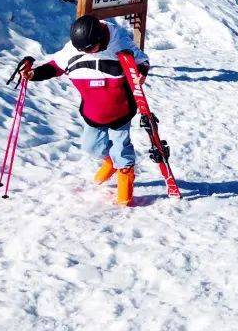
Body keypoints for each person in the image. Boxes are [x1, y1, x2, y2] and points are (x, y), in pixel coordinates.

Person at [18, 15, 148, 206]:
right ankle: (110, 162)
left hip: (120, 109)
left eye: (89, 49)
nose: (85, 52)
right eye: (82, 49)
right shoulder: (75, 47)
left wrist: (141, 74)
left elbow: (142, 61)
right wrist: (34, 74)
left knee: (121, 148)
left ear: (100, 39)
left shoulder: (120, 42)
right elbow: (55, 66)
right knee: (90, 146)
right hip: (93, 111)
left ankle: (125, 182)